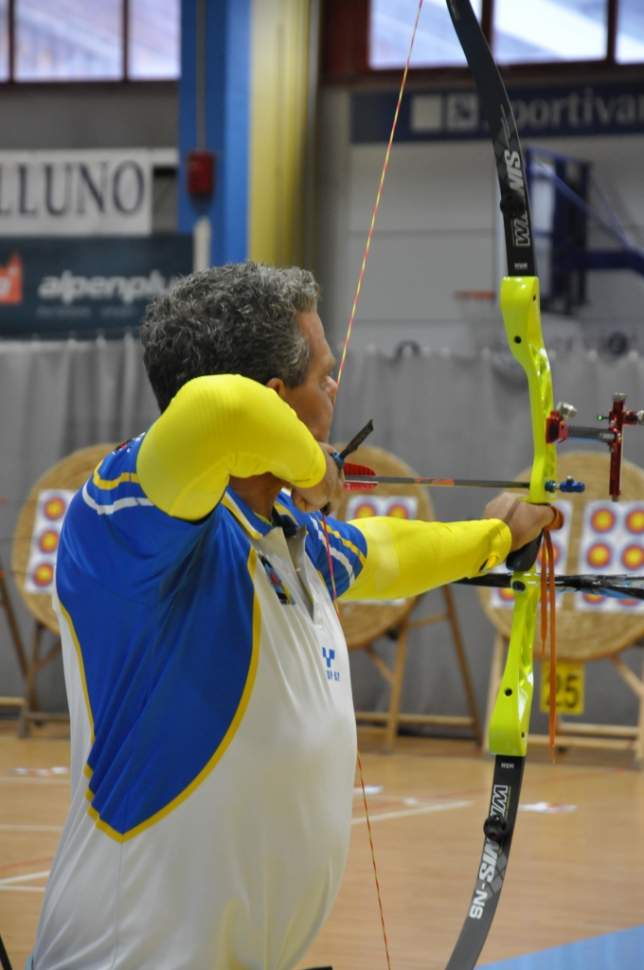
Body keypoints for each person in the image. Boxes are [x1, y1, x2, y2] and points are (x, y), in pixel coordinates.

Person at [30, 262, 553, 970]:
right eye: (324, 374)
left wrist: (498, 537)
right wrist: (312, 467)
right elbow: (218, 411)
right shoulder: (124, 528)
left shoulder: (283, 536)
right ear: (276, 397)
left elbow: (386, 553)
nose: (336, 388)